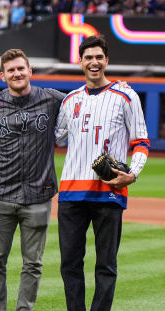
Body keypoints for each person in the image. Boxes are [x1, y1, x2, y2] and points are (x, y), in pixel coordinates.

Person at [55, 35, 150, 311]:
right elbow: (55, 137)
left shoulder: (126, 95)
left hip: (109, 192)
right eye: (88, 57)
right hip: (71, 193)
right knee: (69, 264)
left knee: (106, 265)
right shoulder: (70, 100)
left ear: (106, 60)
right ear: (80, 61)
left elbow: (141, 141)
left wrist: (133, 173)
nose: (93, 62)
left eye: (99, 57)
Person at [0, 49, 64, 311]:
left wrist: (113, 87)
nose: (17, 73)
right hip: (1, 195)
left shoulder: (51, 99)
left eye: (21, 68)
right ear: (2, 76)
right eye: (11, 70)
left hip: (38, 196)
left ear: (30, 71)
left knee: (33, 263)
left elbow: (84, 104)